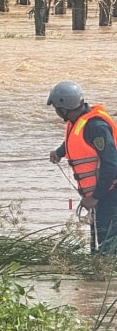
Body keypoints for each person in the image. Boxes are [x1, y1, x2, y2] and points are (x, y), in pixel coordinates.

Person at [47, 81, 117, 254]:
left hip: (110, 193)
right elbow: (76, 141)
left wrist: (95, 197)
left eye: (56, 108)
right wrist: (59, 152)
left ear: (63, 108)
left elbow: (111, 165)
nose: (56, 112)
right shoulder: (78, 121)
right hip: (102, 194)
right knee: (100, 241)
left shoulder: (97, 127)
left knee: (108, 245)